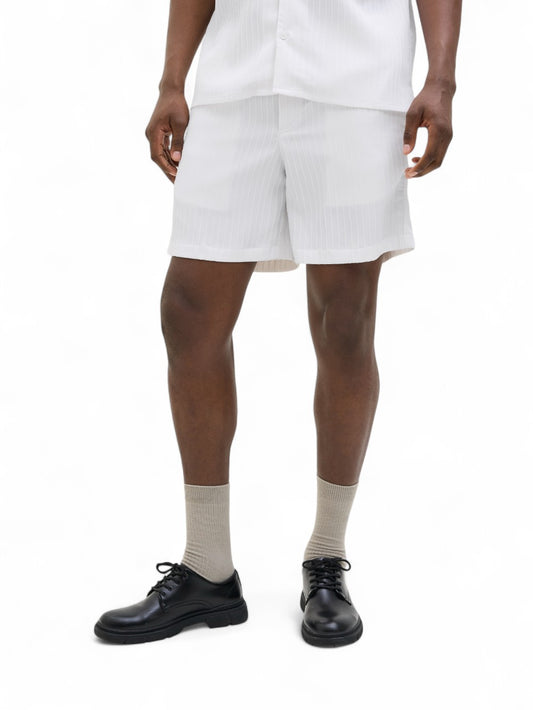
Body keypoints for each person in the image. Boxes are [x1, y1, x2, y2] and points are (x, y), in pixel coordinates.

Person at [94, 0, 461, 648]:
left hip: (355, 82)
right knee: (188, 308)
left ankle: (326, 559)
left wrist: (441, 78)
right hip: (235, 80)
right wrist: (172, 80)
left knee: (344, 319)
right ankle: (207, 567)